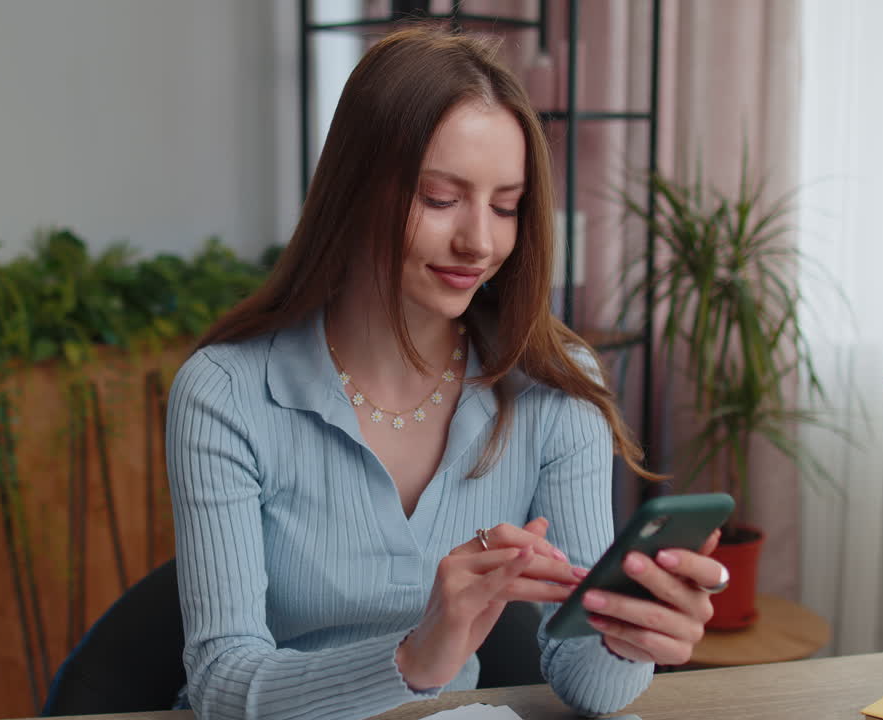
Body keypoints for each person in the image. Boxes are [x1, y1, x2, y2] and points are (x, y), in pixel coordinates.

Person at [166, 26, 725, 720]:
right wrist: (412, 660)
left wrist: (627, 639)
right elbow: (221, 685)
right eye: (439, 199)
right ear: (353, 190)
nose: (479, 242)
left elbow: (589, 688)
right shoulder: (225, 394)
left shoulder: (554, 384)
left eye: (506, 206)